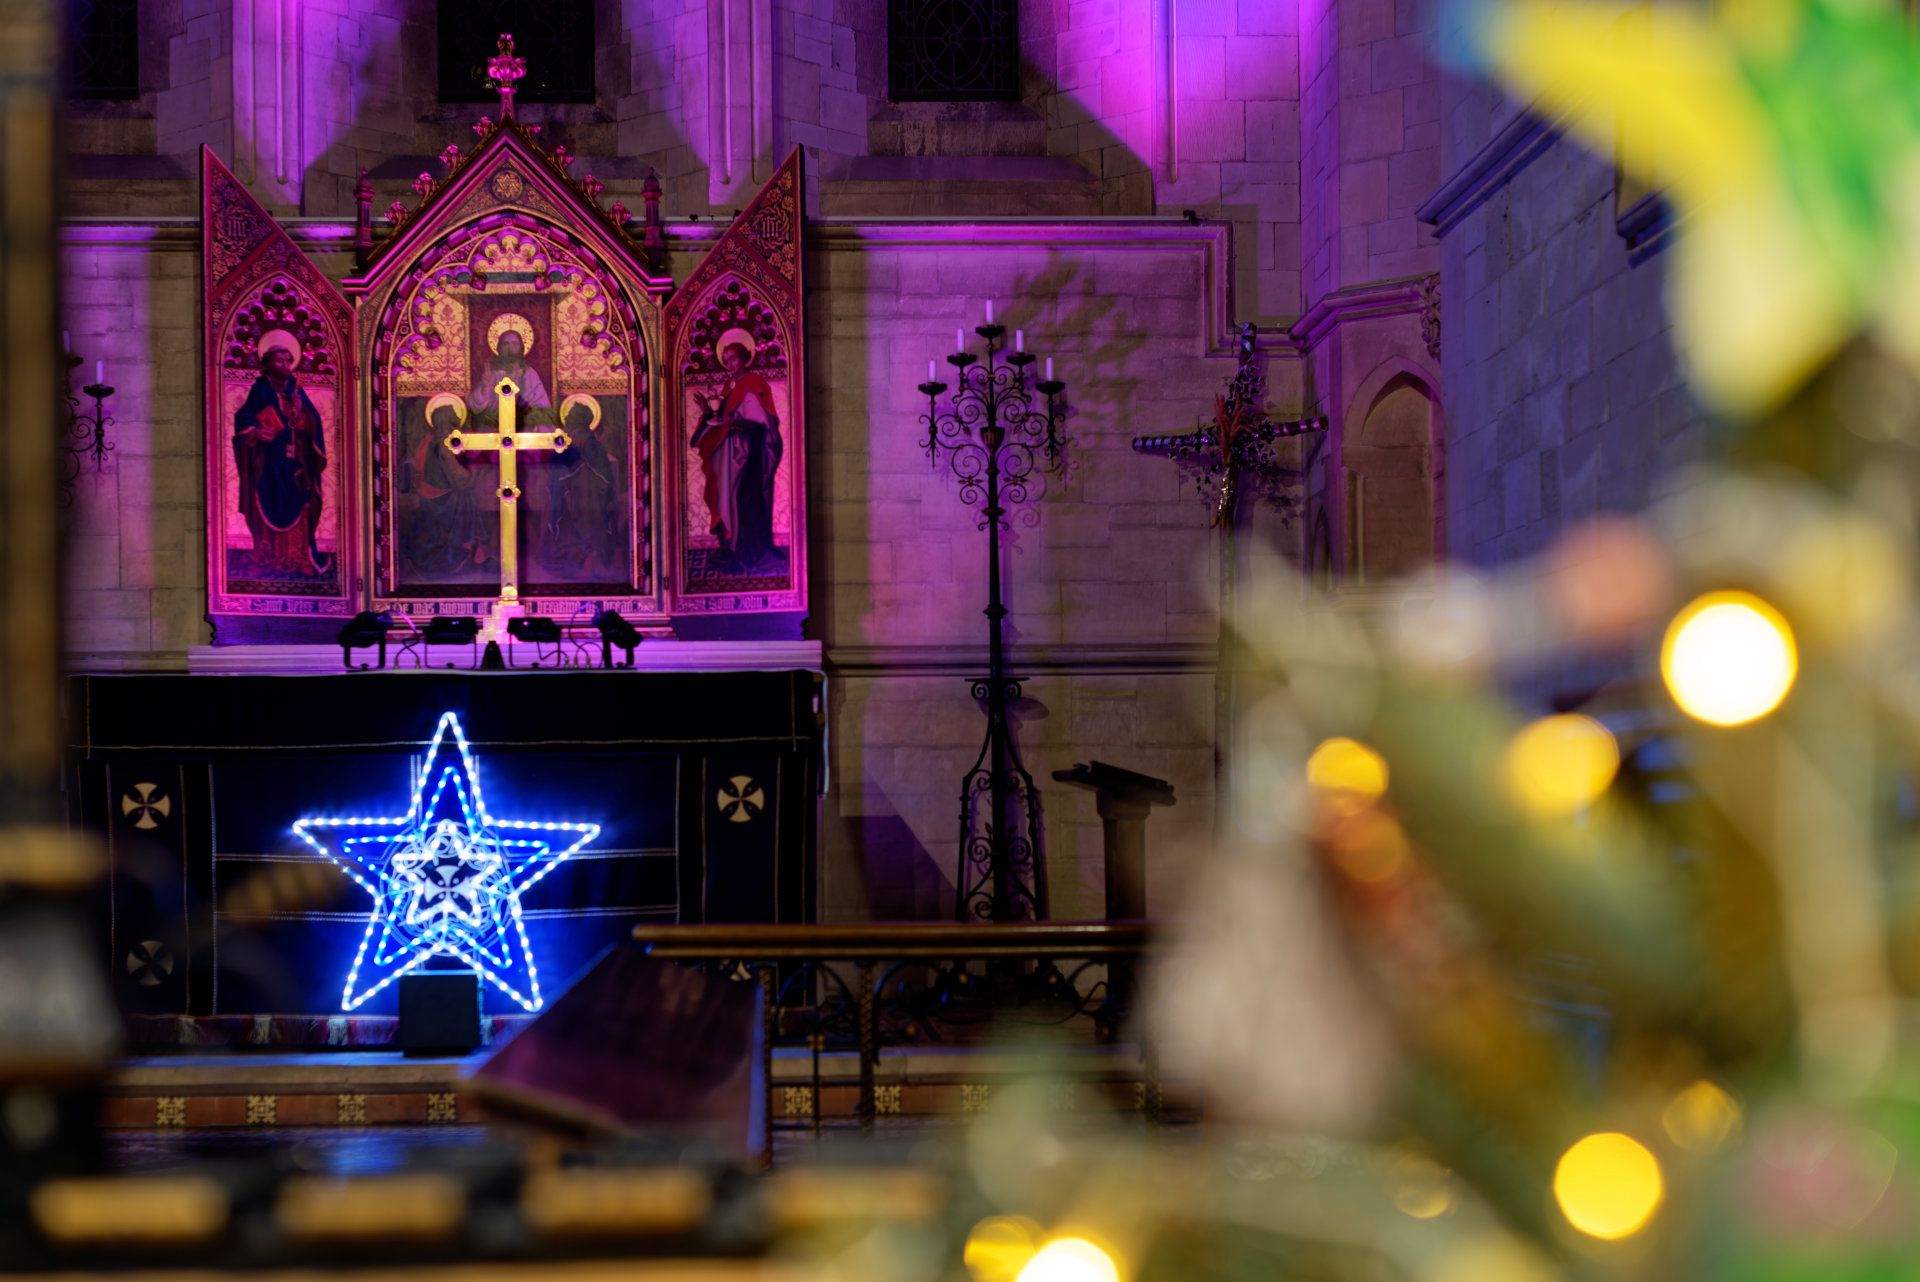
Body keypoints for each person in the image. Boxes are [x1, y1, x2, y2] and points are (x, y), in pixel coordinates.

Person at [233, 331, 331, 578]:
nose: (284, 365)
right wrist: (255, 431)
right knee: (268, 502)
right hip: (268, 461)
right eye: (279, 360)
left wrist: (303, 417)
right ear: (268, 362)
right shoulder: (261, 389)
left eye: (288, 360)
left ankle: (298, 558)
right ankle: (268, 556)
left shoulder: (296, 390)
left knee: (300, 502)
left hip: (295, 460)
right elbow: (244, 416)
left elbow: (312, 422)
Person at [690, 334, 784, 576]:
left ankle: (746, 549)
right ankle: (731, 546)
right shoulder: (729, 387)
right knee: (726, 498)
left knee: (742, 500)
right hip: (727, 455)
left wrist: (733, 422)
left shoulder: (754, 382)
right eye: (726, 360)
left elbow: (762, 422)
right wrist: (705, 411)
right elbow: (719, 416)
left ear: (744, 358)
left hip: (748, 455)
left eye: (733, 358)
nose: (730, 363)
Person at [401, 394, 490, 580]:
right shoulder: (444, 444)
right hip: (442, 498)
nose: (456, 422)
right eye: (453, 419)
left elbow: (420, 466)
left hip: (427, 493)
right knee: (467, 498)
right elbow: (459, 479)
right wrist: (477, 470)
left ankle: (472, 551)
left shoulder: (429, 440)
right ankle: (460, 554)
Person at [540, 393, 623, 578]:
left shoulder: (581, 441)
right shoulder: (586, 443)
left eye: (572, 417)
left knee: (577, 517)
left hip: (580, 494)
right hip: (583, 494)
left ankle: (587, 556)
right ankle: (587, 556)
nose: (569, 420)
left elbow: (559, 468)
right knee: (581, 518)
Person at [467, 313, 552, 424]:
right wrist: (485, 389)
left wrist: (531, 412)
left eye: (515, 344)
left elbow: (543, 407)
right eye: (506, 344)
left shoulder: (529, 374)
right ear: (499, 348)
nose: (510, 348)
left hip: (523, 427)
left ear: (521, 347)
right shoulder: (492, 374)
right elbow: (474, 407)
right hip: (494, 427)